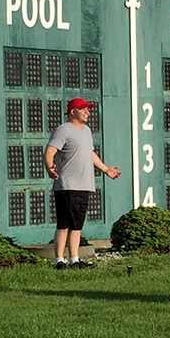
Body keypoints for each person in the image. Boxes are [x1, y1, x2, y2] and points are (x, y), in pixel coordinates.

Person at [44, 97, 120, 269]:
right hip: (67, 185)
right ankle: (59, 261)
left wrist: (106, 169)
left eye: (88, 109)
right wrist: (50, 167)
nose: (88, 112)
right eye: (83, 109)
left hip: (84, 185)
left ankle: (74, 260)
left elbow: (90, 153)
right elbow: (50, 150)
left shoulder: (86, 131)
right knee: (64, 225)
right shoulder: (63, 130)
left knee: (77, 226)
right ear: (73, 112)